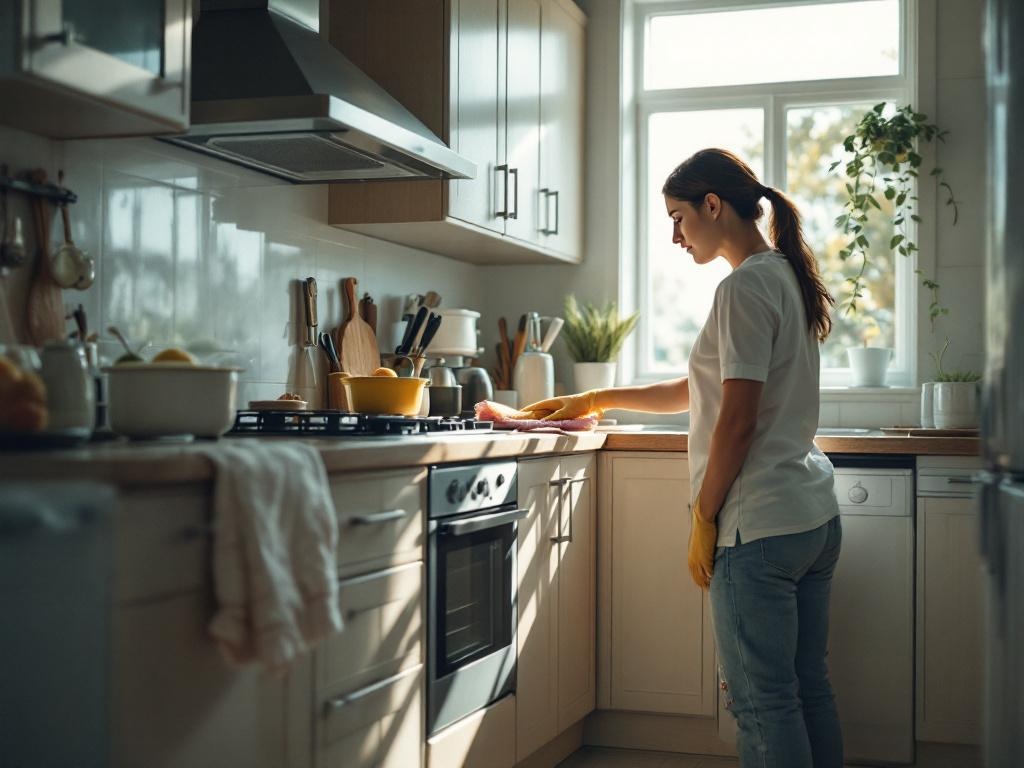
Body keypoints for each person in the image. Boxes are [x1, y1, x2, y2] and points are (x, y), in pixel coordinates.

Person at [523, 148, 844, 768]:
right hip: (811, 518)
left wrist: (704, 515)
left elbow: (738, 420)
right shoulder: (783, 275)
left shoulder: (743, 286)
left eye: (678, 217)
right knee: (806, 691)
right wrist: (595, 396)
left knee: (762, 706)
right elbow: (698, 389)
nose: (674, 235)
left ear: (713, 206)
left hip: (758, 531)